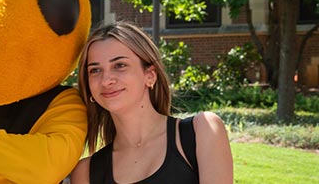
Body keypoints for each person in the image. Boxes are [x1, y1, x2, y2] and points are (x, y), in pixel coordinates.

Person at [69, 22, 233, 183]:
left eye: (120, 65)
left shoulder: (201, 131)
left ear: (150, 76)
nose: (106, 80)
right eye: (95, 70)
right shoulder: (86, 172)